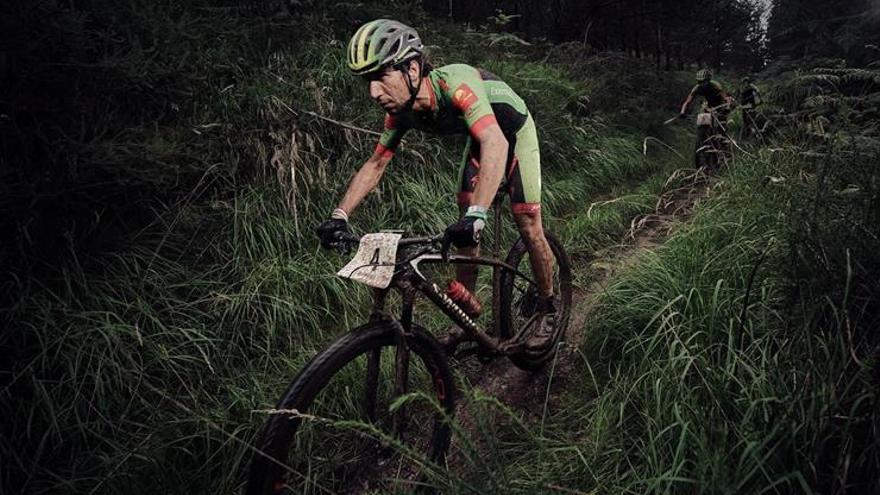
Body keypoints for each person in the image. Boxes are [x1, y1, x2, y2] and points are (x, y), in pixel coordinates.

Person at [315, 19, 557, 346]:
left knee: (526, 222)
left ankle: (549, 307)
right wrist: (338, 216)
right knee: (464, 231)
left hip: (512, 134)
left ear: (412, 69)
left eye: (381, 77)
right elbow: (376, 163)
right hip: (482, 140)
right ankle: (467, 318)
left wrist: (478, 214)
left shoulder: (455, 84)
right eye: (368, 81)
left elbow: (496, 142)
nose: (373, 92)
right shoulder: (401, 112)